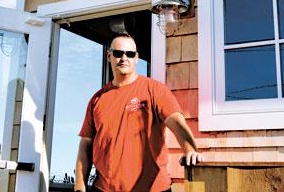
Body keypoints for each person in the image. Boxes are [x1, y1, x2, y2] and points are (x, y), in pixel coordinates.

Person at [74, 33, 203, 192]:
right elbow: (85, 144)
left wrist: (190, 149)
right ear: (109, 56)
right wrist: (79, 186)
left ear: (136, 58)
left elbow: (176, 121)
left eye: (129, 54)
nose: (124, 58)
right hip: (104, 188)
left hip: (153, 188)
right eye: (118, 53)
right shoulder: (97, 99)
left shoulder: (154, 90)